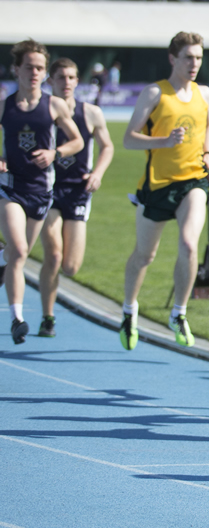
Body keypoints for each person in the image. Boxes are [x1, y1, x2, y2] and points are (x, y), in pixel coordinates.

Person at [119, 32, 209, 351]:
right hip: (158, 184)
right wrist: (163, 141)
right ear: (173, 59)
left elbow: (208, 125)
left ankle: (179, 313)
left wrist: (208, 155)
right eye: (188, 57)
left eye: (199, 58)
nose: (194, 64)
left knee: (189, 244)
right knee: (145, 255)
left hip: (194, 181)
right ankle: (129, 310)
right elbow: (129, 138)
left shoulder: (205, 93)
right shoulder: (154, 93)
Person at [2, 41, 84, 344]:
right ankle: (17, 319)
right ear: (17, 69)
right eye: (29, 67)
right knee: (21, 252)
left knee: (14, 253)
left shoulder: (54, 105)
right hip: (10, 187)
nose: (35, 72)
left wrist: (55, 153)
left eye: (39, 68)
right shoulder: (5, 105)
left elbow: (77, 142)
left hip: (40, 191)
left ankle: (2, 256)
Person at [37, 57, 114, 339]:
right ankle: (48, 317)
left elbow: (107, 146)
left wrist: (98, 173)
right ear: (50, 81)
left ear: (77, 81)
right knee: (53, 254)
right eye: (60, 78)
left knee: (70, 267)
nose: (66, 83)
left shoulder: (90, 113)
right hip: (48, 188)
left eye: (71, 77)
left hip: (79, 189)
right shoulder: (42, 111)